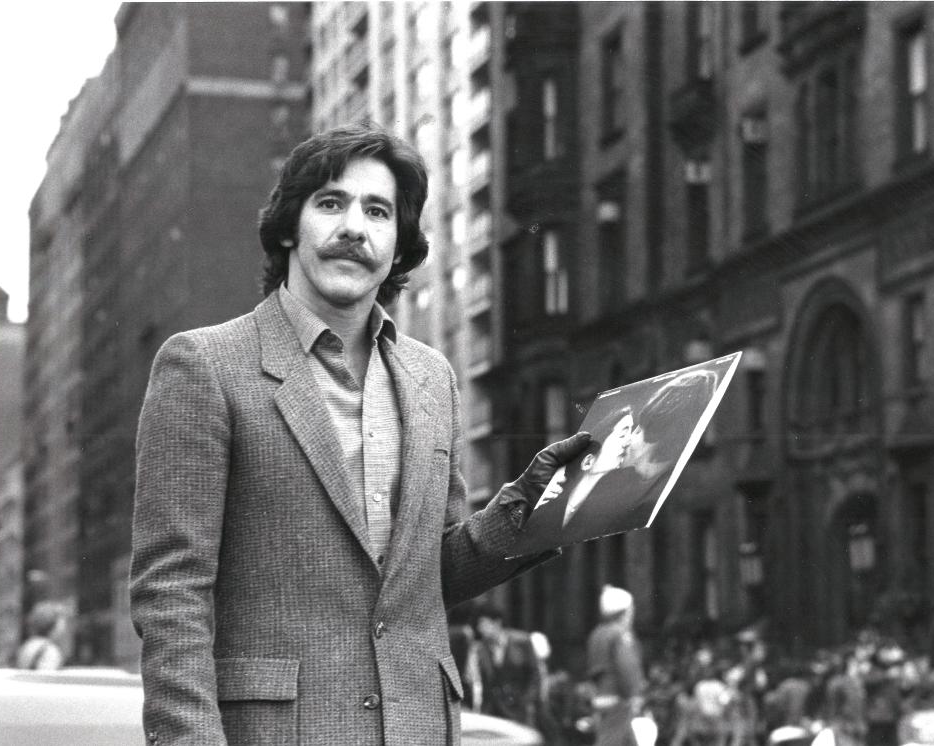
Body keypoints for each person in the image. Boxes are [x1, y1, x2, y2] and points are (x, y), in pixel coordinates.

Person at [129, 123, 590, 746]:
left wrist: (528, 512)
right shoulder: (204, 366)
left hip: (419, 728)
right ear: (291, 225)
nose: (354, 227)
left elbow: (428, 579)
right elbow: (171, 594)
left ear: (398, 246)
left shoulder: (433, 379)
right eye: (331, 203)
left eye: (377, 211)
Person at [534, 369, 719, 547]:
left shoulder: (650, 482)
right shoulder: (612, 484)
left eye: (633, 431)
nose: (627, 441)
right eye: (625, 433)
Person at [586, 585, 646, 746]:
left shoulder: (597, 633)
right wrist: (633, 695)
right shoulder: (620, 635)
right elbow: (627, 667)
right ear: (624, 612)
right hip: (618, 699)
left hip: (601, 697)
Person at [473, 604, 543, 727]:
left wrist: (527, 702)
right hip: (495, 711)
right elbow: (486, 683)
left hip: (519, 709)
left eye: (484, 624)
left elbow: (535, 675)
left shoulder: (521, 641)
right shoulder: (482, 649)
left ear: (497, 623)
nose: (480, 629)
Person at [15, 600, 67, 670]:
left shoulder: (28, 644)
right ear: (54, 625)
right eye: (61, 622)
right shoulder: (49, 650)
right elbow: (45, 678)